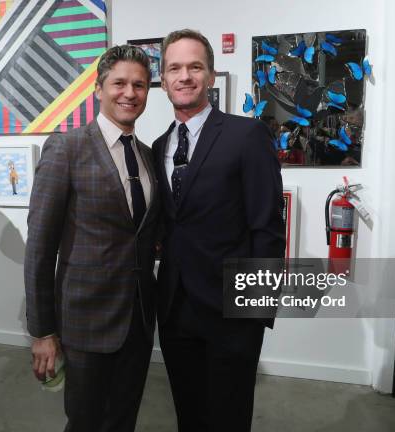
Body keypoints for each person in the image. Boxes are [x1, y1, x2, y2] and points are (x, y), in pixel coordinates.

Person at [152, 29, 286, 432]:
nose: (185, 76)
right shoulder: (159, 146)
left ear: (211, 75)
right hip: (175, 310)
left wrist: (257, 311)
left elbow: (267, 228)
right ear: (163, 80)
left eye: (195, 66)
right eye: (174, 68)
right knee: (189, 416)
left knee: (228, 418)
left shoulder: (246, 135)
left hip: (232, 314)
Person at [24, 45, 160, 432]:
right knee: (85, 422)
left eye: (139, 84)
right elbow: (39, 248)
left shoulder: (149, 157)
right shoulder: (67, 148)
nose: (129, 93)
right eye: (119, 83)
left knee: (123, 420)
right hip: (84, 322)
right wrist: (42, 331)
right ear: (98, 89)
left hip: (138, 319)